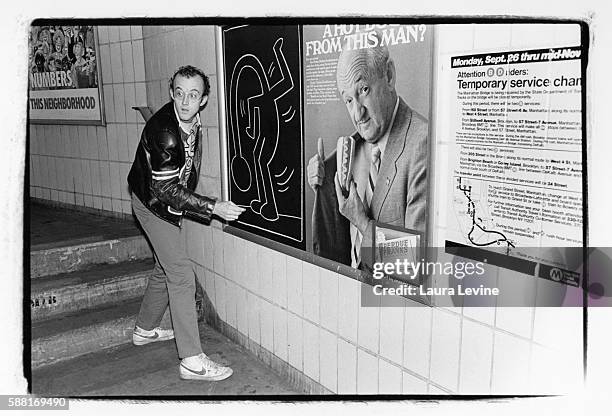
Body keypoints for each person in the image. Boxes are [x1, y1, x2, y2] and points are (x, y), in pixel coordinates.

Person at [127, 65, 245, 381]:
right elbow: (164, 189)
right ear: (171, 94)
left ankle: (144, 329)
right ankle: (192, 360)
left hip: (162, 201)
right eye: (179, 94)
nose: (184, 102)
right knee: (181, 275)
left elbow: (185, 168)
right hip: (153, 205)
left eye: (193, 95)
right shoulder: (164, 131)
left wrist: (194, 203)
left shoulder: (192, 121)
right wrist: (213, 207)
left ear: (203, 100)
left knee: (164, 266)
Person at [307, 39, 428, 269]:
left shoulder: (421, 145)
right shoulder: (349, 151)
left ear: (389, 76)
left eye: (364, 90)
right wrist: (322, 187)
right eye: (349, 100)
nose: (357, 113)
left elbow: (417, 263)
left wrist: (362, 222)